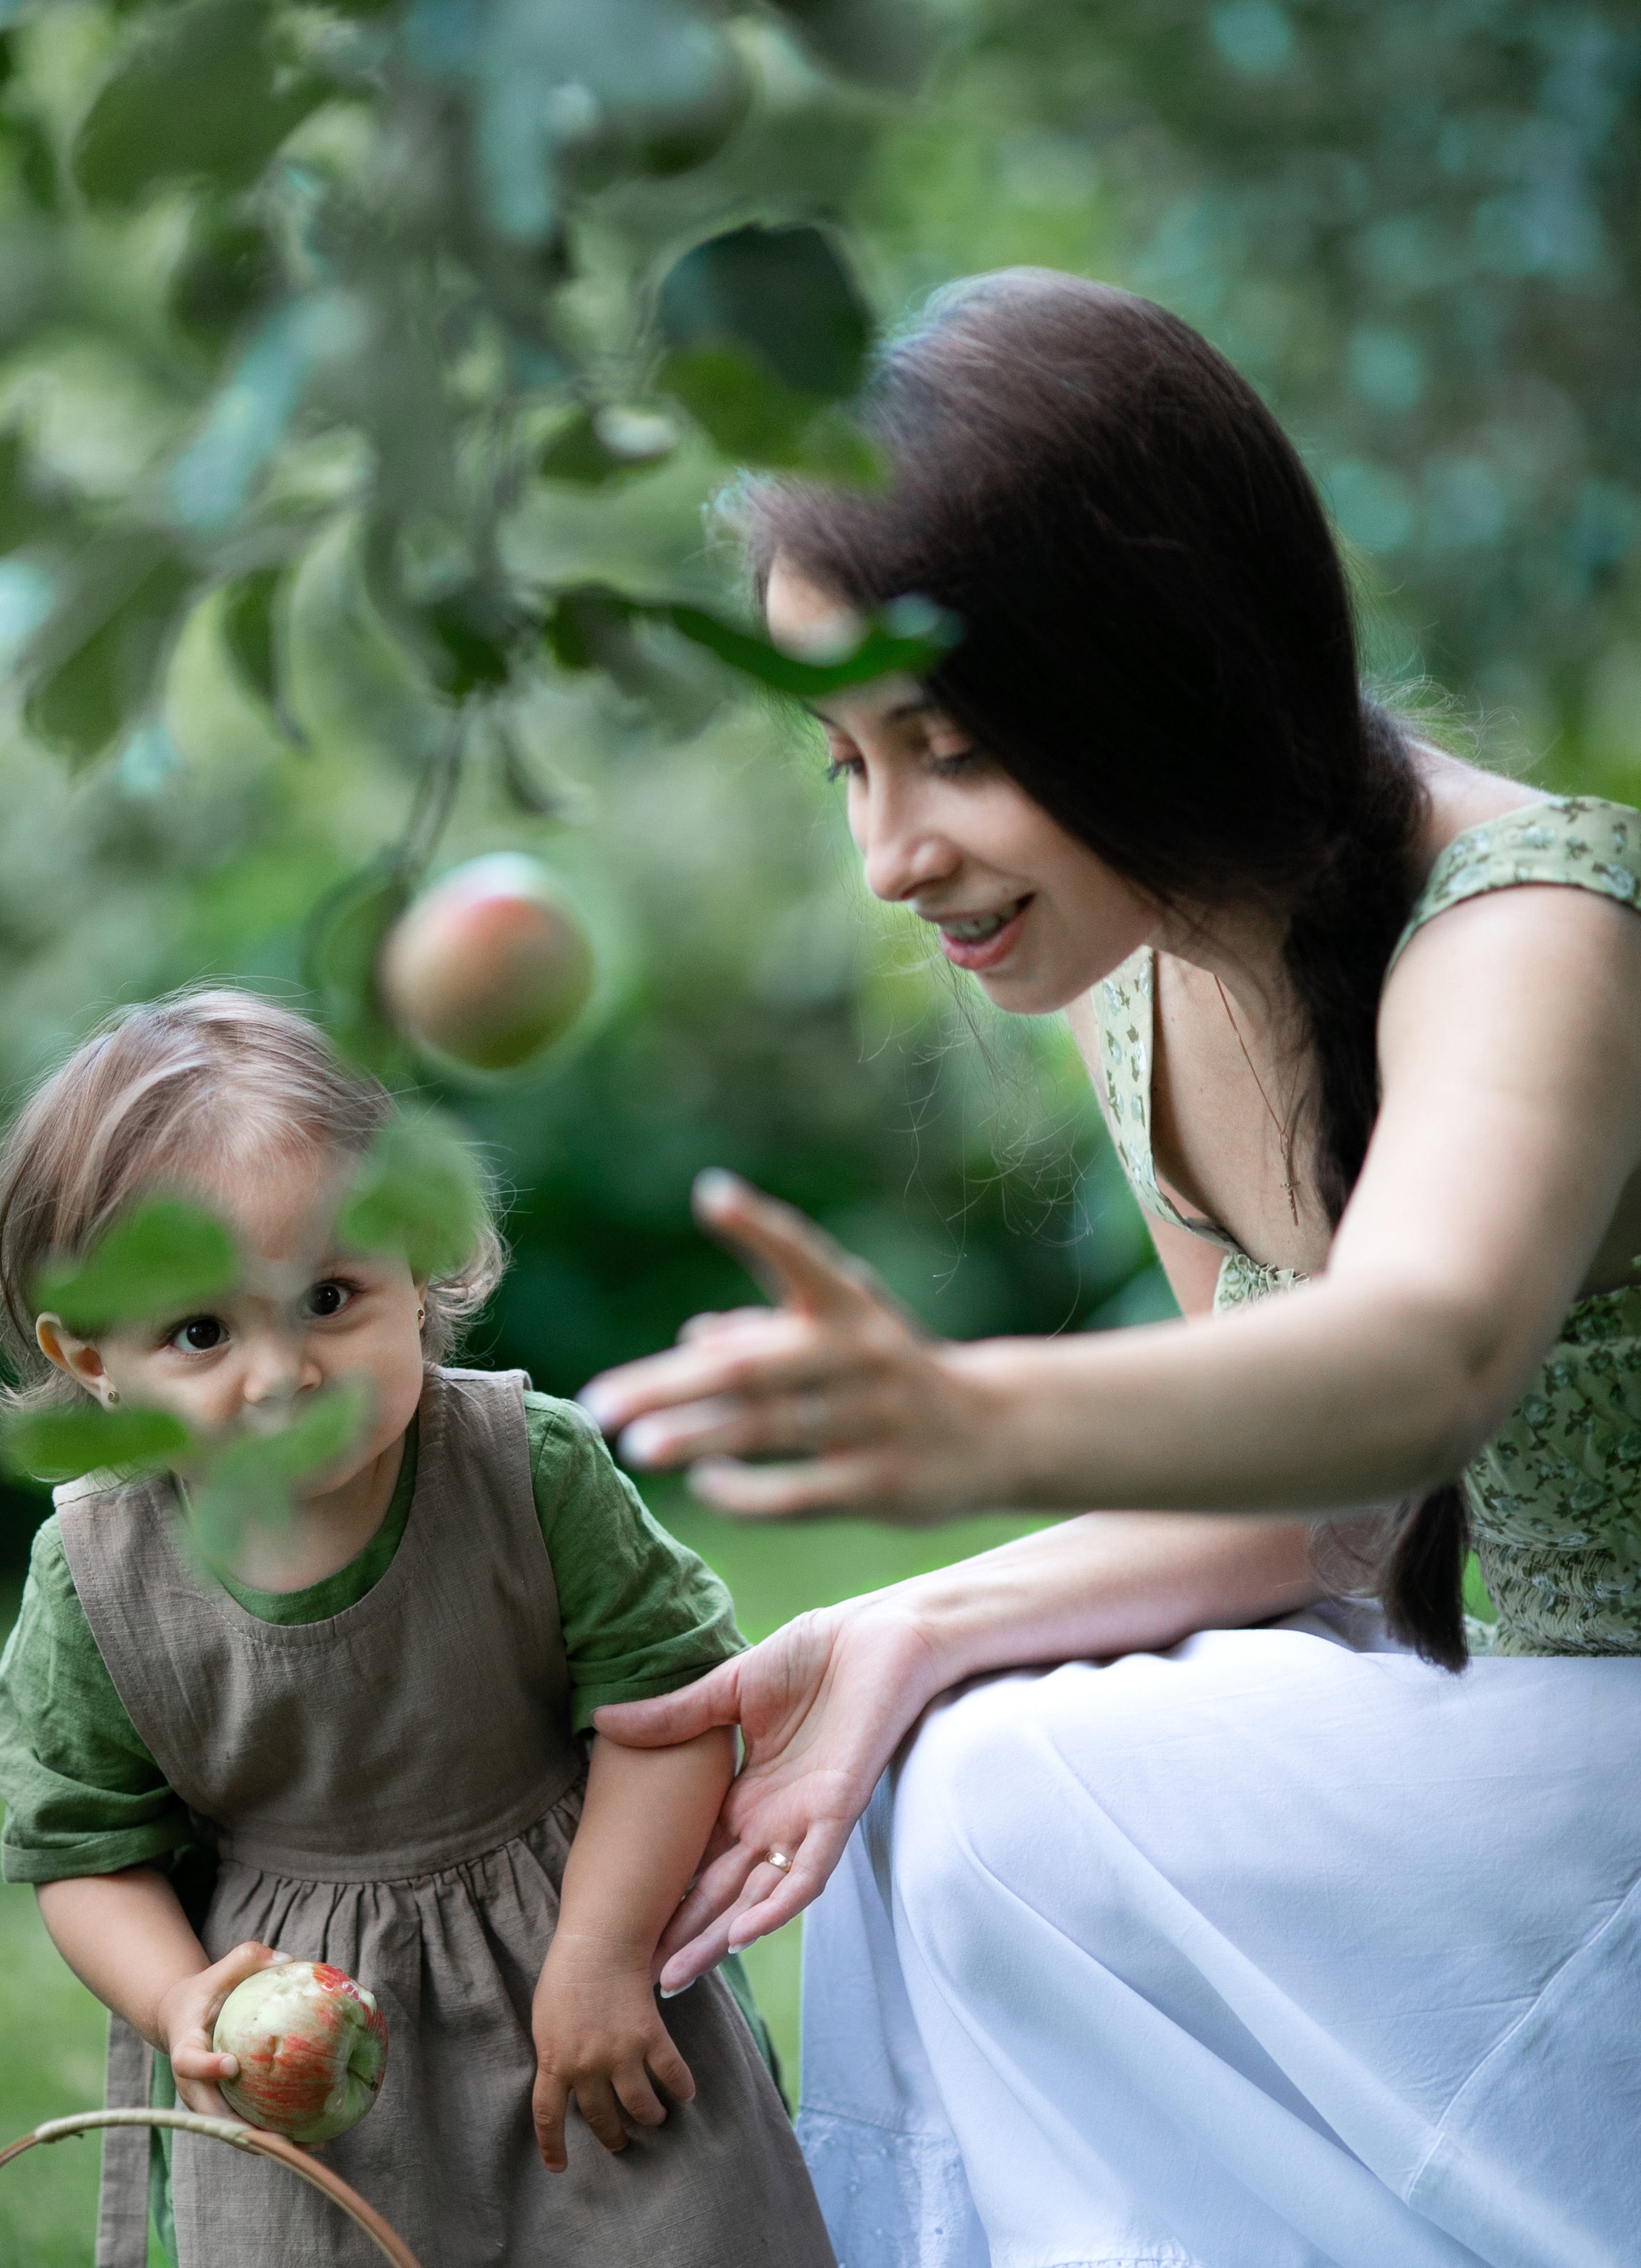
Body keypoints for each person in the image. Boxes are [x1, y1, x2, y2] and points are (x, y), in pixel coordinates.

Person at [578, 271, 1641, 2268]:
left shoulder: (1535, 921)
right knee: (946, 1764)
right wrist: (911, 1626)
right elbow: (1310, 1511)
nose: (888, 854)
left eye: (946, 749)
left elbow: (1421, 1366)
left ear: (1150, 671)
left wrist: (973, 1420)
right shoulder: (1146, 982)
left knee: (1015, 1788)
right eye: (845, 764)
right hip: (1565, 1756)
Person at [0, 988, 834, 2268]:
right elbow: (86, 1847)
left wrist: (604, 1952)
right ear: (94, 1361)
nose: (284, 1374)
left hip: (578, 1957)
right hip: (305, 2060)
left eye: (329, 1296)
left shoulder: (523, 1471)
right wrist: (176, 1998)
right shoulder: (101, 1576)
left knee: (676, 2233)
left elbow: (669, 1714)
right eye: (202, 1332)